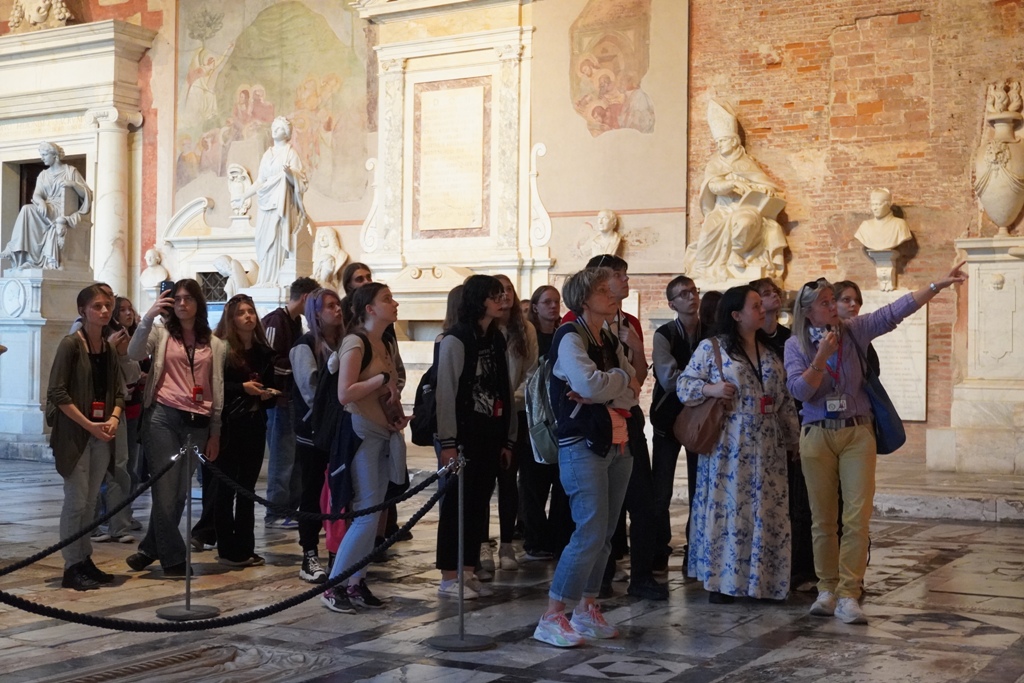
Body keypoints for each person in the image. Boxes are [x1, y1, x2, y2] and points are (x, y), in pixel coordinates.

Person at [785, 262, 967, 624]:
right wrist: (820, 358)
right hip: (817, 434)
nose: (833, 306)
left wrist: (937, 285)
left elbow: (894, 311)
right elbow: (800, 391)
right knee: (823, 519)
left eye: (832, 300)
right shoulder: (795, 344)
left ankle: (849, 594)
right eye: (825, 302)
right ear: (808, 312)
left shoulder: (854, 330)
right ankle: (826, 590)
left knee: (857, 517)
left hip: (857, 432)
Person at [533, 267, 642, 648]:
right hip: (582, 443)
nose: (612, 295)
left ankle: (586, 607)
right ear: (584, 299)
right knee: (589, 531)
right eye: (603, 291)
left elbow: (633, 388)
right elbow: (588, 385)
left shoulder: (607, 336)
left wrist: (609, 385)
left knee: (606, 533)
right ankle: (552, 615)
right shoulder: (569, 336)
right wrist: (614, 382)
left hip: (618, 441)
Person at [679, 285, 800, 603]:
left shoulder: (769, 351)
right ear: (736, 315)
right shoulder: (712, 348)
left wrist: (793, 438)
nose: (763, 310)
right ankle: (722, 583)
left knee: (766, 511)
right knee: (730, 510)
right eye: (755, 306)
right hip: (728, 446)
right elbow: (684, 385)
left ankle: (762, 581)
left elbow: (784, 399)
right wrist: (711, 389)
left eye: (762, 305)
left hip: (768, 446)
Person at [125, 279, 225, 577]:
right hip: (163, 417)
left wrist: (216, 431)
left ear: (198, 303)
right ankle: (173, 559)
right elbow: (133, 352)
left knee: (179, 493)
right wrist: (149, 315)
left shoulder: (214, 343)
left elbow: (216, 388)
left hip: (198, 422)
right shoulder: (161, 332)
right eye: (176, 299)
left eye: (188, 298)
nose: (182, 304)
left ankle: (150, 548)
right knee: (166, 491)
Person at [321, 283, 408, 613]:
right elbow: (345, 393)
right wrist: (381, 381)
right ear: (369, 309)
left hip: (381, 432)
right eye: (387, 299)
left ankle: (356, 582)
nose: (394, 303)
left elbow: (386, 389)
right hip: (359, 433)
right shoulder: (355, 342)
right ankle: (334, 586)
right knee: (365, 513)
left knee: (374, 515)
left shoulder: (384, 342)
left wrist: (394, 412)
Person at [435, 275, 515, 600]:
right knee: (456, 506)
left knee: (479, 505)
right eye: (495, 295)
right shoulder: (455, 340)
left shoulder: (496, 338)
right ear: (478, 300)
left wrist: (508, 438)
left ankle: (467, 571)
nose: (502, 300)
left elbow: (505, 388)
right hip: (464, 436)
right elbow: (446, 392)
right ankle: (448, 576)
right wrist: (448, 442)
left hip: (490, 434)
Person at [46, 285, 125, 590]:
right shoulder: (70, 345)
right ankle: (71, 565)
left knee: (91, 502)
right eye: (97, 306)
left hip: (102, 431)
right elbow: (57, 392)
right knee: (76, 501)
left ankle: (84, 558)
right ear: (83, 311)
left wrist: (113, 418)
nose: (104, 311)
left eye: (107, 306)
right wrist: (89, 425)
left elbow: (118, 391)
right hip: (76, 433)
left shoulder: (107, 347)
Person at [750, 277, 816, 591]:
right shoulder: (751, 339)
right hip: (761, 431)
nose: (773, 296)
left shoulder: (791, 338)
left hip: (793, 422)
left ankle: (799, 566)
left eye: (775, 291)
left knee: (797, 500)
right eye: (765, 293)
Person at [212, 294, 277, 567]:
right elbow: (215, 387)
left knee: (248, 489)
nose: (248, 316)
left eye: (251, 311)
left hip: (254, 423)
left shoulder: (264, 352)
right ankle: (228, 549)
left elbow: (271, 390)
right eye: (241, 313)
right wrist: (243, 388)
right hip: (229, 424)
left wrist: (268, 394)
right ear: (232, 319)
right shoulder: (223, 350)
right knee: (226, 487)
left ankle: (246, 547)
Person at [649, 276, 704, 574]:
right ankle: (658, 549)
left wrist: (693, 380)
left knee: (700, 489)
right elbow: (668, 378)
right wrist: (703, 382)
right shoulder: (665, 334)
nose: (691, 297)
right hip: (668, 418)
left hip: (702, 420)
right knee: (661, 491)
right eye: (683, 294)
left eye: (693, 291)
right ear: (672, 304)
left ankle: (695, 551)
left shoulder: (710, 332)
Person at [291, 287, 344, 583]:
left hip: (341, 430)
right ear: (316, 313)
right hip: (314, 431)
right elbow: (311, 391)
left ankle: (337, 551)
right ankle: (309, 554)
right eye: (329, 306)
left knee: (339, 493)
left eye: (338, 304)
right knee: (311, 493)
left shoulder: (347, 342)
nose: (337, 310)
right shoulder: (305, 345)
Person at [486, 274, 539, 574]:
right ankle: (482, 544)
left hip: (515, 412)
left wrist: (510, 399)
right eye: (498, 291)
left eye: (508, 290)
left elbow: (531, 372)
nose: (504, 295)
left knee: (508, 480)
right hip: (486, 413)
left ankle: (507, 544)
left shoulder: (525, 329)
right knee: (483, 483)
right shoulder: (484, 328)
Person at [262, 277, 320, 530]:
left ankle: (291, 509)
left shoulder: (295, 322)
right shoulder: (276, 321)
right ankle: (274, 512)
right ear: (306, 298)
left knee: (295, 458)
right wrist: (300, 366)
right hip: (280, 400)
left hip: (292, 399)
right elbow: (269, 362)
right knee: (282, 458)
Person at [520, 285, 572, 561]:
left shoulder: (565, 333)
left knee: (561, 479)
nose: (553, 306)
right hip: (534, 414)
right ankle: (535, 538)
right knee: (534, 480)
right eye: (547, 302)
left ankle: (557, 536)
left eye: (556, 301)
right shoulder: (529, 336)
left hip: (561, 413)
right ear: (535, 307)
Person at [236, 116, 308, 287]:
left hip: (282, 206)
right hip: (265, 204)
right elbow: (261, 181)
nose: (276, 130)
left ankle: (276, 279)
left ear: (287, 133)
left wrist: (290, 173)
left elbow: (301, 181)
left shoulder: (290, 153)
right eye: (274, 127)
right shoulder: (267, 155)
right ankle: (265, 279)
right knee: (263, 240)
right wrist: (245, 195)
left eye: (280, 128)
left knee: (277, 239)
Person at [1, 142, 91, 270]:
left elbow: (87, 194)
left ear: (54, 155)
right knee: (27, 209)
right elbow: (37, 195)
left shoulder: (70, 171)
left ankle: (17, 249)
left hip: (62, 209)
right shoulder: (43, 175)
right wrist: (41, 202)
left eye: (44, 155)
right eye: (41, 155)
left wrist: (73, 184)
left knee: (28, 211)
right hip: (47, 207)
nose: (42, 158)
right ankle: (24, 254)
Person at [833, 281, 880, 376]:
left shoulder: (859, 335)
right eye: (846, 300)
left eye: (857, 300)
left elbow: (873, 370)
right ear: (833, 303)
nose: (854, 304)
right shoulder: (824, 334)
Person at [339, 262, 373, 328]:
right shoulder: (344, 306)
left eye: (368, 277)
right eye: (359, 279)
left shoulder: (377, 300)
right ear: (349, 285)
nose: (366, 281)